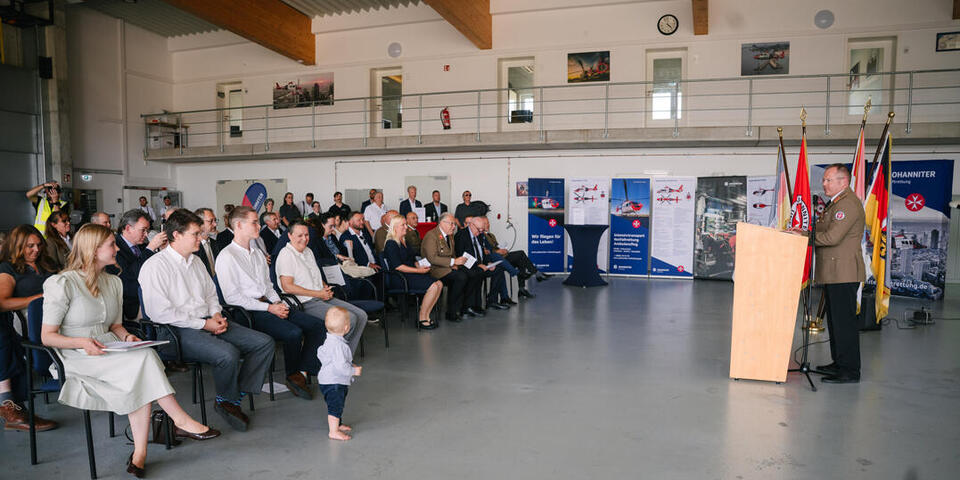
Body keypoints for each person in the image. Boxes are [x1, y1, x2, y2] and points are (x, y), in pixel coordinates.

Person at [42, 224, 220, 477]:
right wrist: (82, 343)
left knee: (142, 362)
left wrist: (127, 336)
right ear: (93, 250)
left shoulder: (112, 282)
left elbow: (115, 325)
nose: (117, 249)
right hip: (76, 354)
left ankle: (141, 453)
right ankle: (178, 421)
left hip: (108, 347)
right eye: (111, 245)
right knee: (144, 362)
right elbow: (47, 337)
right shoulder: (61, 283)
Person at [140, 209, 275, 432]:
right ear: (176, 235)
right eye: (195, 233)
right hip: (175, 331)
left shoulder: (196, 262)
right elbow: (160, 313)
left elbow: (212, 295)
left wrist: (214, 314)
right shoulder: (155, 266)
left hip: (208, 320)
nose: (201, 237)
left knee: (263, 343)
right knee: (227, 354)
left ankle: (230, 398)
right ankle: (228, 399)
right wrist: (204, 324)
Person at [216, 206, 326, 399]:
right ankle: (292, 374)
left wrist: (278, 303)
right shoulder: (227, 256)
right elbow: (233, 298)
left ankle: (301, 372)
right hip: (246, 312)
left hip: (269, 304)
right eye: (255, 222)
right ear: (239, 225)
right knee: (293, 332)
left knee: (317, 326)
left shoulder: (257, 253)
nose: (259, 225)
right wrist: (270, 307)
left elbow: (267, 286)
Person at [275, 222, 367, 353]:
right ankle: (335, 358)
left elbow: (315, 275)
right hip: (304, 302)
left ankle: (345, 356)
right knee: (350, 319)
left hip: (321, 297)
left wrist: (325, 287)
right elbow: (287, 287)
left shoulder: (308, 251)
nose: (304, 238)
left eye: (306, 235)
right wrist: (319, 294)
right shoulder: (285, 255)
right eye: (299, 235)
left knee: (361, 315)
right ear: (289, 236)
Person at [0, 225, 58, 432]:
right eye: (29, 246)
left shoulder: (47, 264)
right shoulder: (8, 268)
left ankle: (10, 405)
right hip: (27, 319)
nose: (36, 250)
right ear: (17, 247)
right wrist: (37, 299)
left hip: (56, 315)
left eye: (38, 245)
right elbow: (3, 302)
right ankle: (10, 406)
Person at [812, 164, 866, 384]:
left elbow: (832, 237)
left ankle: (850, 371)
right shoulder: (835, 204)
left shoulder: (848, 205)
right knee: (835, 322)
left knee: (844, 324)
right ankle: (839, 363)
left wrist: (804, 238)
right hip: (834, 272)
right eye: (824, 180)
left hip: (843, 273)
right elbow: (824, 230)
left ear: (843, 182)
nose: (824, 184)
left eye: (828, 180)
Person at [382, 217, 443, 329]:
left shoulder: (404, 241)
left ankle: (426, 314)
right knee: (433, 286)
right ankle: (421, 318)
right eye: (403, 225)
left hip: (410, 274)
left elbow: (412, 260)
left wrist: (420, 266)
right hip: (399, 278)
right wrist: (418, 270)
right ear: (395, 228)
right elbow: (398, 266)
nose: (406, 227)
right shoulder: (391, 244)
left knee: (439, 284)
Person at [108, 209, 167, 320]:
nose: (146, 235)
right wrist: (151, 248)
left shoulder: (141, 245)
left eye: (147, 231)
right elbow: (132, 275)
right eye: (143, 230)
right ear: (128, 228)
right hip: (131, 303)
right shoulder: (114, 247)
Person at [422, 213, 480, 322]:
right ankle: (451, 311)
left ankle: (465, 306)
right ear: (442, 223)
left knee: (473, 273)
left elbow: (452, 253)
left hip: (448, 267)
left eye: (454, 224)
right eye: (451, 224)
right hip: (435, 269)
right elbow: (432, 258)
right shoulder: (431, 235)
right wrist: (453, 262)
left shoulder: (450, 235)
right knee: (461, 277)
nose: (454, 226)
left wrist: (454, 263)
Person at [316, 307, 361, 441]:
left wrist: (349, 364)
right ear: (346, 328)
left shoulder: (329, 341)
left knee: (337, 403)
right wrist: (354, 371)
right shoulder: (340, 346)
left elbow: (322, 355)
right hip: (334, 381)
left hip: (326, 380)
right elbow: (341, 366)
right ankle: (333, 431)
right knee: (335, 406)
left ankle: (338, 425)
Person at [480, 216, 544, 298]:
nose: (488, 225)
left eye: (488, 223)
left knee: (521, 260)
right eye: (486, 223)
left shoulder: (491, 235)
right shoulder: (480, 236)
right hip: (495, 259)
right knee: (520, 254)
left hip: (502, 256)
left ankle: (522, 288)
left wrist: (502, 250)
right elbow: (486, 251)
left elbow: (495, 247)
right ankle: (532, 274)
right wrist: (497, 252)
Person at [455, 216, 510, 311]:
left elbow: (481, 253)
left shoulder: (479, 235)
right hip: (468, 266)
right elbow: (461, 255)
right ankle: (472, 306)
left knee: (498, 269)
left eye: (482, 230)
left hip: (481, 265)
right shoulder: (461, 235)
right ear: (471, 225)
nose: (480, 232)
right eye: (479, 230)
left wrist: (488, 263)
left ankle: (492, 301)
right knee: (477, 272)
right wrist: (478, 265)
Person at [193, 208, 220, 278]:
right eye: (211, 221)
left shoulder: (216, 243)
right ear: (199, 223)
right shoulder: (192, 248)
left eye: (215, 220)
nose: (215, 224)